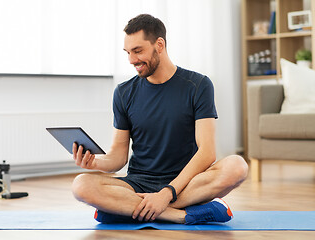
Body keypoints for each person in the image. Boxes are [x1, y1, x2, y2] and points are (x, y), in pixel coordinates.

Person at [72, 14, 248, 224]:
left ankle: (128, 210)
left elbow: (207, 152)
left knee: (237, 166)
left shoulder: (198, 85)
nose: (132, 60)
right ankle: (180, 215)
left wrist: (166, 193)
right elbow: (119, 156)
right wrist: (94, 163)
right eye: (128, 52)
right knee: (81, 185)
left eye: (138, 51)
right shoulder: (123, 92)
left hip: (186, 183)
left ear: (160, 45)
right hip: (138, 183)